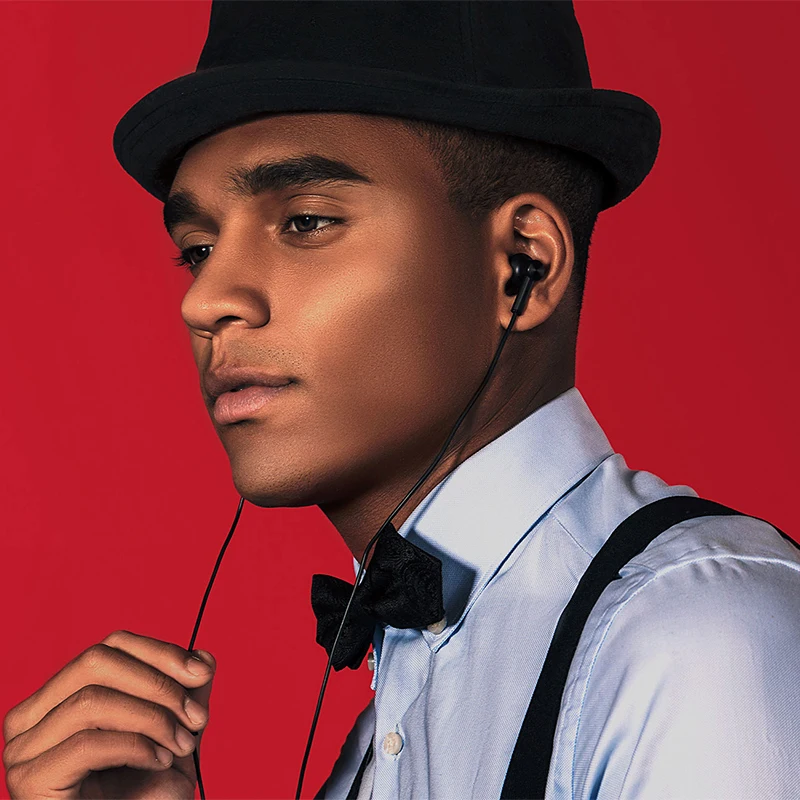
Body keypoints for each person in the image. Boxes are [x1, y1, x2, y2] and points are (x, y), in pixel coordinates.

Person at [4, 1, 799, 798]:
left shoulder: (700, 635)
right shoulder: (382, 725)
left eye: (305, 222)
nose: (205, 300)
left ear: (523, 266)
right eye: (198, 249)